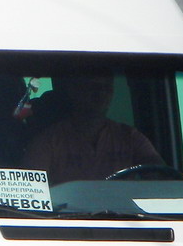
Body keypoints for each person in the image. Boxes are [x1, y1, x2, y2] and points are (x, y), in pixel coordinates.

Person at [24, 71, 162, 183]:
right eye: (93, 88)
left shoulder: (130, 138)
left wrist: (176, 181)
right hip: (66, 216)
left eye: (107, 88)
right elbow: (34, 191)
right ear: (74, 91)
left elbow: (161, 175)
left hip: (126, 216)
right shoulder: (48, 142)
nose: (101, 94)